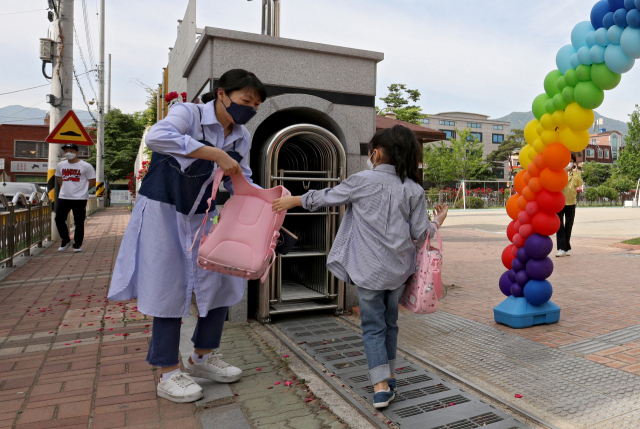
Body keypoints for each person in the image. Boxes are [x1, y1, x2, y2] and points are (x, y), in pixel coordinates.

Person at [107, 69, 267, 403]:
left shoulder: (242, 134)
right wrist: (214, 153)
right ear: (222, 94)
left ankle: (202, 358)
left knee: (221, 282)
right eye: (245, 100)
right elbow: (157, 137)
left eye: (255, 104)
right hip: (163, 213)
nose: (249, 108)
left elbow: (240, 176)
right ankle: (167, 372)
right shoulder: (188, 113)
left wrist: (267, 202)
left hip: (203, 217)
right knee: (168, 287)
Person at [272, 125, 449, 409]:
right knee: (390, 324)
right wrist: (439, 220)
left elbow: (328, 196)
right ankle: (388, 375)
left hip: (368, 270)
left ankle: (380, 386)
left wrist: (294, 200)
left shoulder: (362, 180)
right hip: (399, 272)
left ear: (376, 153)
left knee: (372, 327)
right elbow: (421, 234)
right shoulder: (414, 189)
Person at [55, 143, 96, 252]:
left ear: (77, 152)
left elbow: (92, 181)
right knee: (58, 219)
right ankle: (65, 240)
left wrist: (82, 190)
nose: (68, 153)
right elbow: (59, 178)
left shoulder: (86, 166)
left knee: (79, 221)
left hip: (80, 198)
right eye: (66, 151)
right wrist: (65, 188)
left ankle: (77, 244)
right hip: (64, 197)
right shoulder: (60, 165)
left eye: (71, 151)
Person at [556, 154, 582, 257]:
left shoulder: (574, 174)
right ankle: (561, 248)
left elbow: (579, 183)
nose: (569, 163)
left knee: (569, 225)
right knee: (559, 225)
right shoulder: (558, 172)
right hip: (559, 202)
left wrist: (575, 172)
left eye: (571, 161)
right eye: (568, 160)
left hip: (570, 202)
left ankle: (566, 248)